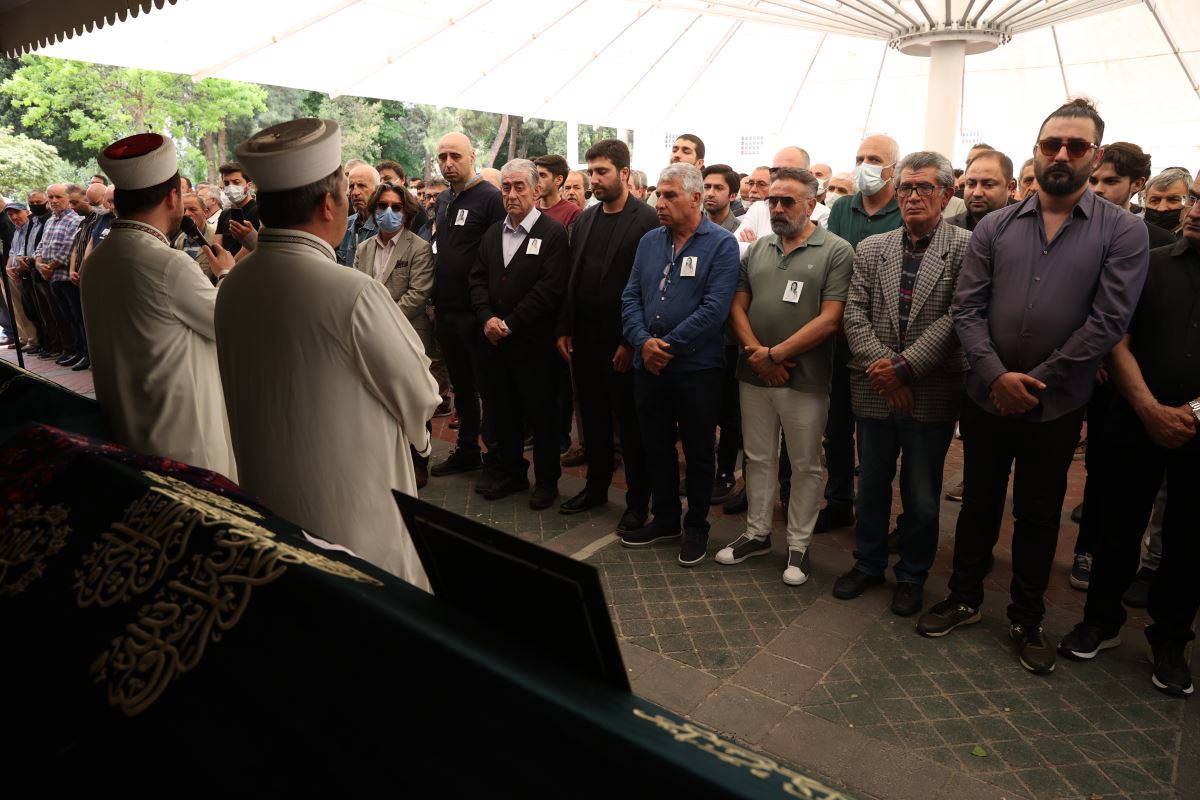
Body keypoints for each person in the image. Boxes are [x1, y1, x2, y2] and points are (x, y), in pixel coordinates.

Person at [923, 99, 1150, 677]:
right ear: (1037, 150)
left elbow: (1109, 321)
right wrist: (996, 376)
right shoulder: (995, 226)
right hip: (986, 395)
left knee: (1039, 513)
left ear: (1095, 154)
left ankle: (1027, 617)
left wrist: (1035, 381)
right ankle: (965, 597)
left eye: (1076, 146)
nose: (1062, 155)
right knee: (978, 501)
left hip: (1056, 404)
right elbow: (967, 308)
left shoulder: (1123, 231)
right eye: (1052, 144)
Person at [216, 118, 439, 588]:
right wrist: (421, 443)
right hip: (351, 510)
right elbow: (419, 391)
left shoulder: (233, 284)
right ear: (326, 204)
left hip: (269, 501)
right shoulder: (352, 291)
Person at [1058, 176, 1200, 698]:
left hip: (1197, 433)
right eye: (1195, 197)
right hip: (1134, 419)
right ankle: (1100, 621)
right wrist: (1148, 408)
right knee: (1116, 526)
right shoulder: (1152, 263)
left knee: (1189, 540)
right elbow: (1116, 338)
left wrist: (1191, 413)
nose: (1193, 210)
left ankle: (1171, 640)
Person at [834, 152, 971, 616]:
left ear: (946, 195)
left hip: (930, 389)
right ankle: (868, 563)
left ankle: (912, 574)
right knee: (871, 486)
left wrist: (905, 369)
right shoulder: (874, 247)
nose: (913, 196)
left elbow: (959, 316)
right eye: (906, 187)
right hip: (875, 388)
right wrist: (887, 373)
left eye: (924, 187)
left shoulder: (967, 247)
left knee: (923, 495)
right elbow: (854, 312)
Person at [714, 167, 853, 584]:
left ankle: (798, 545)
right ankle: (757, 533)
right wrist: (759, 356)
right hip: (754, 373)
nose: (776, 208)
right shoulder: (758, 249)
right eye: (772, 200)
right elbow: (737, 307)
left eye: (786, 201)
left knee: (805, 463)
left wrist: (776, 355)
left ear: (811, 204)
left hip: (804, 378)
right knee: (757, 457)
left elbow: (831, 319)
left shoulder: (836, 250)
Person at [82, 132, 237, 479]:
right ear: (172, 197)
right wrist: (227, 273)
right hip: (183, 442)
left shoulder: (97, 261)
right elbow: (229, 325)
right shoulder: (168, 264)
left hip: (126, 430)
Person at [618, 163, 739, 566]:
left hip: (696, 369)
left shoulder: (721, 244)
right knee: (655, 445)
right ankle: (667, 519)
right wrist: (642, 342)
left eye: (670, 195)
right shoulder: (650, 241)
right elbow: (630, 296)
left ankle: (697, 526)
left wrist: (665, 346)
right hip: (649, 366)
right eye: (659, 193)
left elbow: (715, 309)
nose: (660, 202)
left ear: (695, 198)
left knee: (699, 451)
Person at [556, 138, 658, 529]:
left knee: (630, 427)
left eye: (602, 172)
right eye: (591, 172)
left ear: (624, 173)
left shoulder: (647, 221)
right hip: (585, 339)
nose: (594, 179)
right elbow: (572, 277)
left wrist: (630, 342)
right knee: (594, 418)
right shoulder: (585, 219)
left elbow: (649, 288)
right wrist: (566, 326)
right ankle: (596, 487)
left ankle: (637, 501)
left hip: (624, 342)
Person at [468, 159, 570, 509]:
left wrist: (509, 323)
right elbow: (477, 279)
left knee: (542, 416)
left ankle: (547, 482)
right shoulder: (492, 233)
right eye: (506, 187)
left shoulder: (553, 233)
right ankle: (512, 472)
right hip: (494, 344)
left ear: (536, 190)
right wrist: (487, 319)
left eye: (519, 187)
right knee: (503, 412)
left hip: (534, 345)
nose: (511, 194)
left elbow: (549, 290)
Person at [818, 134, 904, 533]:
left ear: (892, 169)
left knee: (876, 438)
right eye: (859, 158)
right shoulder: (841, 207)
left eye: (874, 159)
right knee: (836, 429)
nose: (864, 165)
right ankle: (839, 501)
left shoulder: (901, 208)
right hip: (839, 335)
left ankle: (872, 512)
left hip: (880, 340)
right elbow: (834, 264)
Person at [428, 132, 506, 480]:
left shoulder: (490, 198)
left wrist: (487, 309)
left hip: (477, 312)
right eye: (442, 157)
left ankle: (497, 458)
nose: (448, 163)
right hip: (446, 309)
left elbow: (498, 257)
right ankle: (468, 450)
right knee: (461, 386)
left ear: (472, 157)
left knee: (488, 387)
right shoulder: (444, 199)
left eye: (455, 156)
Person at [352, 181, 437, 488]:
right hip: (370, 336)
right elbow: (357, 289)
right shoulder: (363, 248)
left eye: (396, 207)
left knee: (414, 399)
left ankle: (419, 462)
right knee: (380, 400)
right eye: (383, 206)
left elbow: (418, 294)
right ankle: (386, 462)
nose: (389, 212)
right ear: (373, 210)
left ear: (406, 212)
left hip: (408, 334)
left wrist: (380, 320)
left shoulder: (419, 247)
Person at [1088, 142, 1176, 248]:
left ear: (1138, 184)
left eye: (1110, 181)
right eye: (1092, 181)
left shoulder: (1160, 240)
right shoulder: (1072, 226)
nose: (1097, 189)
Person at [734, 148, 831, 244]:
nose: (781, 177)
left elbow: (812, 253)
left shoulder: (823, 214)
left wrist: (757, 247)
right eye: (775, 171)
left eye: (789, 172)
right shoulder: (759, 208)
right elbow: (736, 247)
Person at [34, 184, 81, 362]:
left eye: (58, 197)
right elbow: (41, 246)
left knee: (77, 317)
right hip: (52, 278)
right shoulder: (50, 220)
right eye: (51, 197)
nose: (54, 201)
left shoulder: (75, 220)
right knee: (65, 317)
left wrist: (50, 267)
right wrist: (39, 265)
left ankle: (83, 353)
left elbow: (69, 249)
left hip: (67, 278)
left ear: (68, 198)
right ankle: (76, 352)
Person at [947, 149, 1015, 231]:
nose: (977, 193)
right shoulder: (946, 229)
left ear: (1010, 187)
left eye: (988, 185)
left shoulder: (1023, 229)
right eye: (971, 184)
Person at [3, 202, 39, 352]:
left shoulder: (32, 226)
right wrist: (8, 267)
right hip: (15, 273)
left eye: (17, 213)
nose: (14, 217)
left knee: (30, 309)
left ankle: (35, 339)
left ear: (26, 211)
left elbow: (31, 251)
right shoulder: (17, 230)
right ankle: (26, 338)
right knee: (18, 308)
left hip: (29, 272)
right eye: (11, 215)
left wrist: (18, 267)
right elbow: (12, 252)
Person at [335, 162, 380, 265]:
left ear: (377, 189)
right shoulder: (344, 225)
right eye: (351, 186)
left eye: (362, 185)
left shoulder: (386, 227)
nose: (355, 192)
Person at [215, 162, 259, 255]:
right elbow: (217, 245)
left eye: (236, 182)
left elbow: (249, 247)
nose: (230, 187)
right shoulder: (224, 213)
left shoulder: (258, 211)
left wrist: (230, 264)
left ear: (249, 185)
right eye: (226, 183)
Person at [533, 154, 582, 230]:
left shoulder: (573, 212)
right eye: (536, 176)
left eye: (542, 175)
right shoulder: (530, 208)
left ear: (558, 180)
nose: (537, 180)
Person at [1142, 167, 1191, 235]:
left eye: (1173, 200)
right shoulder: (1132, 230)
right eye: (1155, 200)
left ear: (1190, 202)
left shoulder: (1194, 237)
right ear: (1145, 200)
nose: (1161, 208)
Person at [702, 164, 740, 233]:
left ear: (732, 196)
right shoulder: (689, 227)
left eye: (719, 188)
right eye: (707, 187)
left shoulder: (741, 232)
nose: (710, 193)